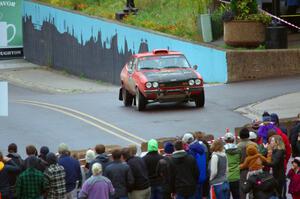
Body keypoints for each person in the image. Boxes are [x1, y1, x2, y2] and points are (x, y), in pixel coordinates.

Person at [183, 133, 207, 199]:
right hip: (202, 176)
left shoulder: (191, 150)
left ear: (187, 141)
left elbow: (189, 165)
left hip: (195, 179)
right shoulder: (201, 146)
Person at [237, 128, 257, 199]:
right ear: (248, 136)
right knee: (253, 189)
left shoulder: (238, 146)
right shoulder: (254, 145)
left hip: (243, 170)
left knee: (243, 189)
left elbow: (237, 160)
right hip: (254, 169)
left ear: (240, 136)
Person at [224, 132, 241, 199]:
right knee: (236, 196)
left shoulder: (222, 151)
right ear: (233, 140)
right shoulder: (238, 150)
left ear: (225, 141)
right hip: (236, 176)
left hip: (226, 177)